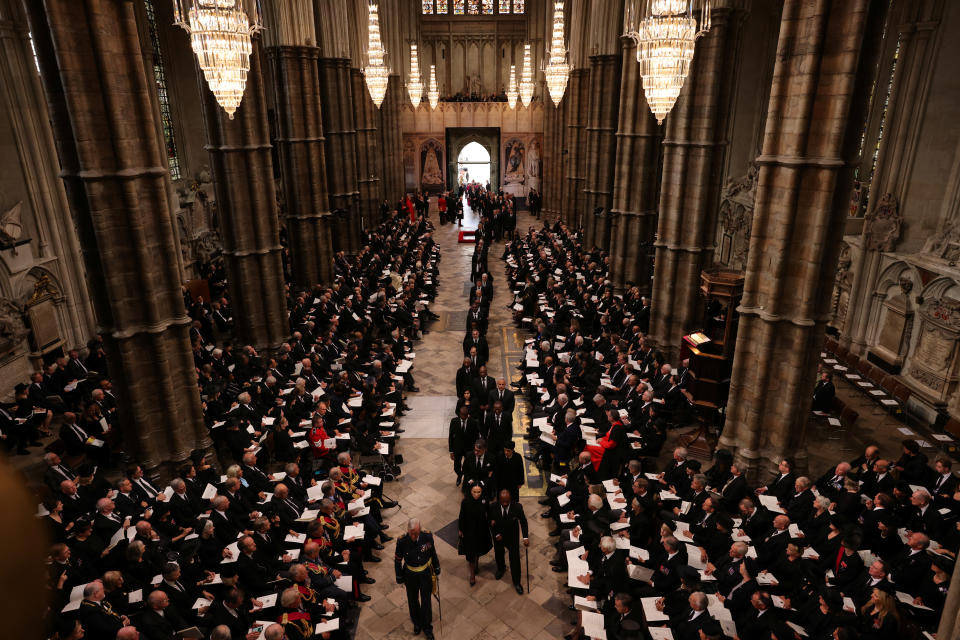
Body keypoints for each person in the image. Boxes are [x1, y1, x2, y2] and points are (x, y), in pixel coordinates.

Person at [395, 519, 440, 640]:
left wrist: (436, 566)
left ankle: (427, 627)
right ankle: (417, 623)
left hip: (425, 574)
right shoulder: (402, 541)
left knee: (426, 602)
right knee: (413, 601)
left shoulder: (427, 536)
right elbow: (398, 560)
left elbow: (432, 553)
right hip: (410, 575)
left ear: (420, 530)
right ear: (408, 531)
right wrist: (399, 576)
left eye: (416, 533)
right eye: (411, 533)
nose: (414, 536)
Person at [488, 488, 529, 594]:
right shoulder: (493, 507)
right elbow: (489, 522)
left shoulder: (517, 507)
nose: (505, 504)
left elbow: (523, 522)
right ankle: (501, 568)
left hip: (512, 537)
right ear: (499, 500)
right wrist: (496, 534)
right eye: (503, 502)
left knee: (515, 559)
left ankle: (517, 582)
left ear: (510, 499)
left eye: (507, 501)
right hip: (499, 537)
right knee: (499, 553)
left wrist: (525, 537)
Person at [458, 484, 493, 586]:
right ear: (470, 491)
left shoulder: (484, 501)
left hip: (481, 529)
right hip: (469, 531)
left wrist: (491, 521)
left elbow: (488, 513)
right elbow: (462, 516)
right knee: (471, 553)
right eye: (474, 492)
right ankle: (472, 574)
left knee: (478, 550)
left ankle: (476, 563)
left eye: (479, 492)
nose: (476, 494)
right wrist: (461, 529)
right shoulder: (465, 502)